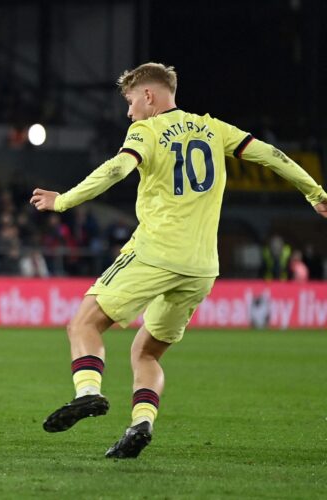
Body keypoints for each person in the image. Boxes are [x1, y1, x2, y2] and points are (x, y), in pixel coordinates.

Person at [30, 62, 327, 458]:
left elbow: (118, 168)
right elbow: (272, 155)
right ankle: (141, 423)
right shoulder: (214, 128)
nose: (129, 112)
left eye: (131, 101)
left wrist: (63, 200)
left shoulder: (147, 130)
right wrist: (315, 192)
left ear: (148, 95)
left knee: (83, 323)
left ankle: (87, 393)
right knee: (146, 352)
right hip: (202, 267)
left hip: (156, 251)